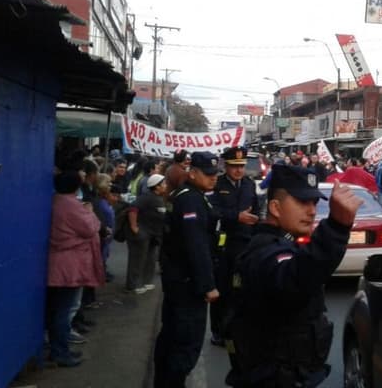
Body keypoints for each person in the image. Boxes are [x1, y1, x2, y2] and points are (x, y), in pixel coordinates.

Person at [224, 164, 363, 387]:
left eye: (314, 203)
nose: (311, 211)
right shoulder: (267, 252)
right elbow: (294, 278)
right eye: (302, 202)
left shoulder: (280, 244)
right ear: (275, 208)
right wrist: (336, 227)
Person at [154, 152, 220, 388]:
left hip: (178, 279)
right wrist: (208, 285)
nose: (213, 178)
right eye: (208, 174)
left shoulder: (191, 195)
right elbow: (196, 245)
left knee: (171, 337)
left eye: (215, 174)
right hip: (187, 283)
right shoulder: (191, 200)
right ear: (192, 173)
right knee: (184, 343)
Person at [47, 171, 104, 367]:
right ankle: (60, 352)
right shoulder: (71, 205)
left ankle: (57, 349)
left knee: (56, 309)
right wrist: (90, 212)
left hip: (57, 263)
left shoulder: (54, 201)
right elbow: (91, 227)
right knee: (64, 310)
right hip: (69, 266)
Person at [208, 146, 259, 348]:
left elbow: (255, 209)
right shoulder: (216, 184)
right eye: (234, 166)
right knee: (222, 290)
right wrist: (236, 216)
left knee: (241, 290)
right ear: (225, 166)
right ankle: (218, 332)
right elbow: (212, 211)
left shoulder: (248, 184)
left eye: (241, 166)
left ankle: (235, 330)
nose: (238, 170)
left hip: (245, 244)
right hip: (223, 245)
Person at [127, 173, 169, 295]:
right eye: (163, 184)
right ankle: (133, 285)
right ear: (157, 187)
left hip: (154, 235)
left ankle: (146, 281)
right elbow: (133, 209)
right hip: (143, 234)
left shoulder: (159, 198)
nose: (166, 186)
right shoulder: (146, 197)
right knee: (137, 259)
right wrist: (134, 227)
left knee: (150, 259)